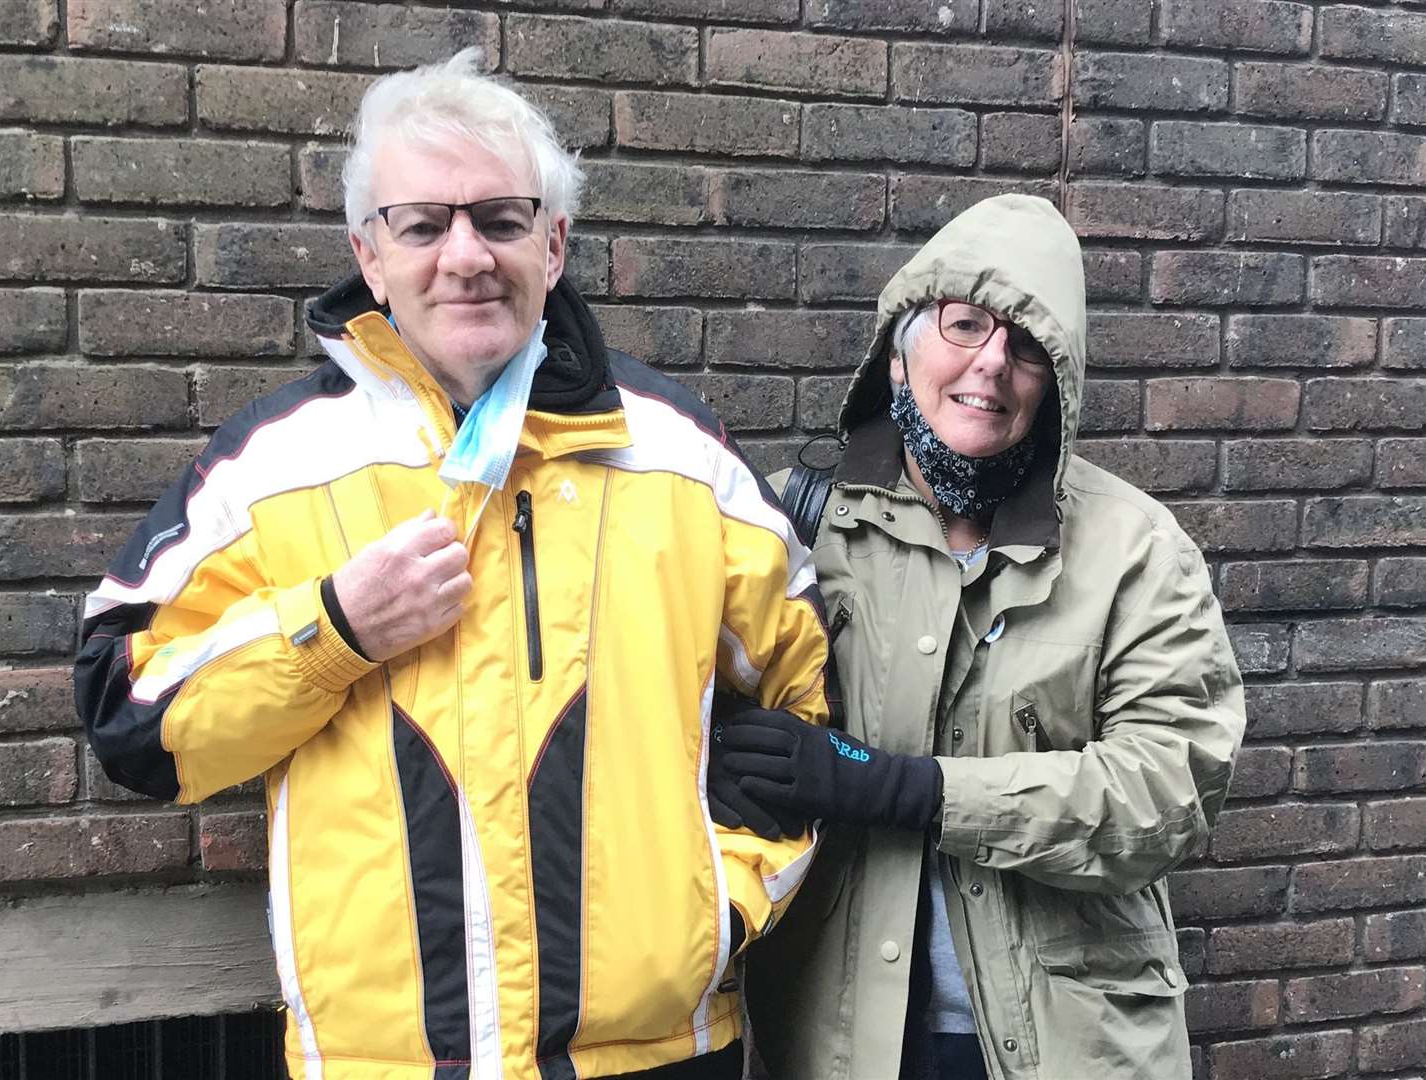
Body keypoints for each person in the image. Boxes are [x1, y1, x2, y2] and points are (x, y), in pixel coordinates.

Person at [74, 49, 829, 1080]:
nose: (465, 255)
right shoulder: (275, 466)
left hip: (654, 1058)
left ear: (554, 245)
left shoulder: (683, 460)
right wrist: (332, 628)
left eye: (501, 220)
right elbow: (130, 718)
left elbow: (801, 709)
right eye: (423, 224)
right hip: (384, 1064)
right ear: (369, 255)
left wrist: (716, 914)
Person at [709, 195, 1246, 1080]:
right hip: (836, 1038)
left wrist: (912, 791)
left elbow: (1170, 790)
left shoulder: (1135, 551)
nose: (990, 365)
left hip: (1068, 1047)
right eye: (963, 326)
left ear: (1054, 382)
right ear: (899, 349)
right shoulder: (787, 526)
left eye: (1026, 346)